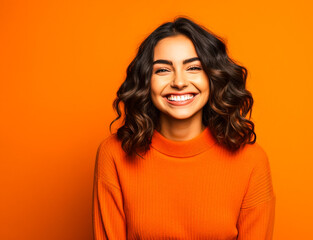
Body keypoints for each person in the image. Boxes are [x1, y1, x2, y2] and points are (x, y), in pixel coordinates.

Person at [92, 17, 276, 239]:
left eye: (194, 67)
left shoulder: (251, 161)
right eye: (162, 70)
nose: (179, 82)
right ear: (145, 80)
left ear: (212, 77)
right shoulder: (113, 155)